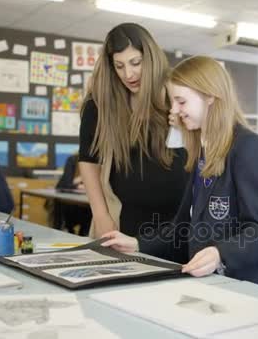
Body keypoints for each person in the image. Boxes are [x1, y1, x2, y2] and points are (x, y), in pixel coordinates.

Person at [101, 56, 258, 292]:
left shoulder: (250, 149)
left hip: (255, 288)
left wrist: (221, 253)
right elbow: (182, 227)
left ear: (210, 96)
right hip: (217, 286)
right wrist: (139, 244)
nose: (174, 110)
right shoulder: (203, 152)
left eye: (181, 101)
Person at [78, 23, 188, 256]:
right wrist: (101, 214)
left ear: (151, 58)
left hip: (179, 226)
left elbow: (205, 148)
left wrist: (185, 129)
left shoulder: (177, 97)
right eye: (119, 66)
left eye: (135, 63)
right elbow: (89, 161)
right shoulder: (100, 104)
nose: (129, 74)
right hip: (127, 223)